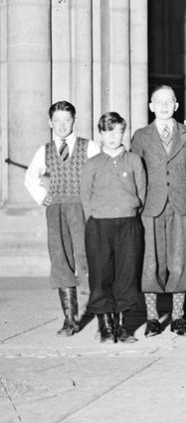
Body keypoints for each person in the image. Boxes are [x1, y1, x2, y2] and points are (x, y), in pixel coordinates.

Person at [25, 100, 100, 336]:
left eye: (66, 120)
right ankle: (70, 319)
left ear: (74, 121)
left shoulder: (89, 147)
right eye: (57, 121)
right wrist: (42, 196)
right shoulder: (44, 150)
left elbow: (101, 173)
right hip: (56, 209)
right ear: (50, 123)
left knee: (88, 256)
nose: (62, 125)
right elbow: (30, 178)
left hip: (82, 208)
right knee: (60, 259)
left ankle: (103, 315)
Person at [131, 85, 186, 337]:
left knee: (180, 261)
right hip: (151, 207)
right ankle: (151, 317)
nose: (163, 106)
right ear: (151, 106)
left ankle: (179, 316)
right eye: (158, 102)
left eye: (168, 101)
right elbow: (136, 174)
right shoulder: (141, 136)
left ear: (176, 105)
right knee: (150, 263)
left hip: (180, 206)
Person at [80, 112, 147, 343]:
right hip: (99, 225)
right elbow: (85, 198)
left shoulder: (134, 161)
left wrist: (127, 211)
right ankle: (105, 326)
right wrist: (99, 215)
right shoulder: (92, 164)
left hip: (128, 223)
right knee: (100, 275)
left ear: (123, 133)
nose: (112, 136)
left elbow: (142, 193)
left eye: (117, 131)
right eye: (108, 132)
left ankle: (123, 326)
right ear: (100, 134)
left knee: (127, 275)